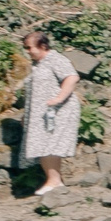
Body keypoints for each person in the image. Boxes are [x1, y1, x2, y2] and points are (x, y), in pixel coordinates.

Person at [19, 31, 82, 197]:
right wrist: (27, 115)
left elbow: (71, 77)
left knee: (50, 145)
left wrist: (58, 98)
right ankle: (54, 180)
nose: (27, 51)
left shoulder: (55, 59)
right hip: (41, 113)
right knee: (41, 145)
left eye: (29, 47)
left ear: (43, 46)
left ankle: (54, 181)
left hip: (59, 110)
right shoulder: (37, 65)